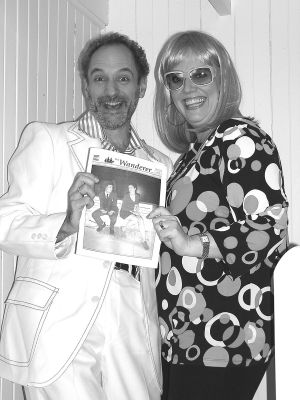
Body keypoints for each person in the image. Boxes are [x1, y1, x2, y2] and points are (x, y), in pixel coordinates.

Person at [0, 32, 172, 400]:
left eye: (123, 78)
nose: (111, 90)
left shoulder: (159, 166)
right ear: (86, 85)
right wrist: (66, 222)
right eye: (99, 78)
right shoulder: (49, 140)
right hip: (59, 324)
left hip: (132, 323)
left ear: (141, 86)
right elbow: (6, 223)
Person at [148, 30, 289, 400]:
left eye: (201, 74)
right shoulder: (192, 155)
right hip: (185, 334)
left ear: (222, 77)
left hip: (221, 336)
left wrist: (192, 243)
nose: (187, 87)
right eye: (175, 79)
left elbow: (269, 228)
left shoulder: (240, 138)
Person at [120, 182, 149, 249]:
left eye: (131, 187)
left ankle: (144, 241)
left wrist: (138, 213)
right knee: (135, 219)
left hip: (132, 212)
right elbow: (123, 207)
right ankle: (124, 228)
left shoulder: (137, 196)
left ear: (135, 188)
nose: (129, 189)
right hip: (124, 212)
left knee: (140, 220)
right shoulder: (126, 195)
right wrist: (133, 211)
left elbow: (136, 205)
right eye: (129, 187)